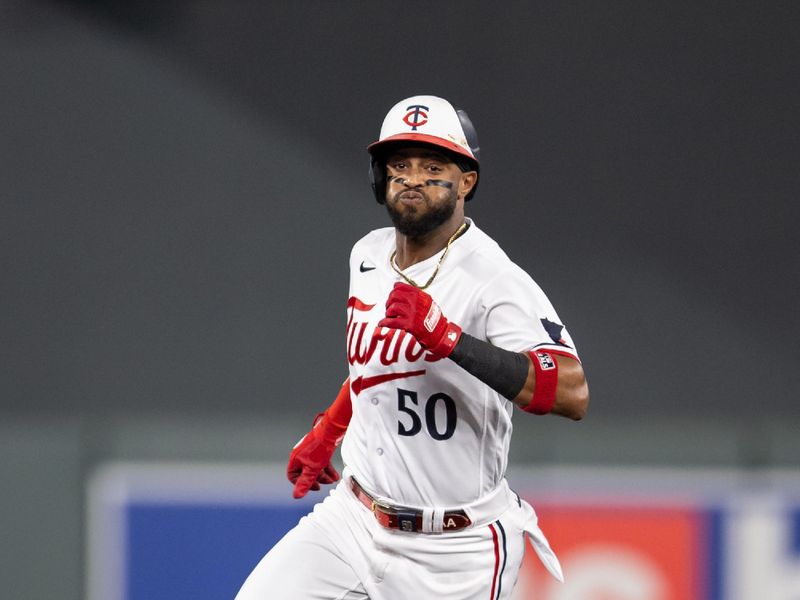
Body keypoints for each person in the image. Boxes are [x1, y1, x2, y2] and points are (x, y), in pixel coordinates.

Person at [236, 95, 589, 600]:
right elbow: (377, 363)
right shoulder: (369, 253)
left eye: (433, 165)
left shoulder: (493, 278)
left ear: (467, 180)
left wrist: (449, 339)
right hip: (353, 520)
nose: (412, 177)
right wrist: (329, 429)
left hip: (455, 549)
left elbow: (572, 393)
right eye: (399, 164)